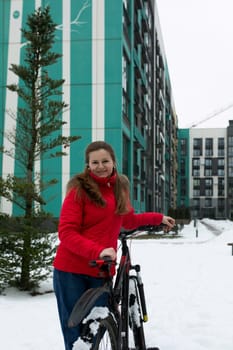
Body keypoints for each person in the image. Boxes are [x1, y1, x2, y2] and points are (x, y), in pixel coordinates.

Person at [53, 140, 175, 350]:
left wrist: (157, 218)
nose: (100, 166)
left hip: (101, 269)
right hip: (71, 270)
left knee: (102, 325)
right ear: (88, 165)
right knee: (76, 334)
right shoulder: (78, 190)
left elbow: (128, 220)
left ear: (113, 162)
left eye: (105, 161)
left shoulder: (119, 187)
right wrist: (97, 250)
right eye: (95, 162)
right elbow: (66, 232)